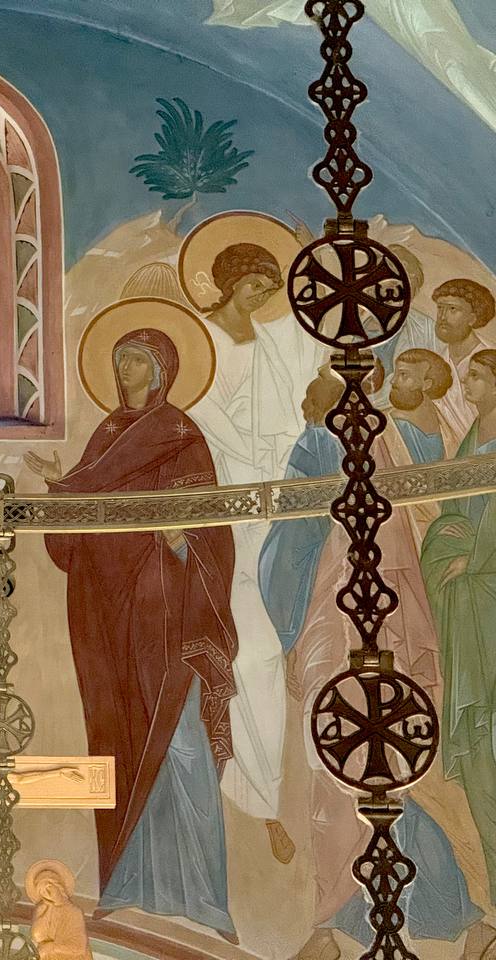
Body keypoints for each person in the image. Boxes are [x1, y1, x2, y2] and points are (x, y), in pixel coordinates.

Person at [265, 366, 491, 960]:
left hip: (354, 616)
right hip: (364, 614)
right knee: (361, 769)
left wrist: (288, 627)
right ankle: (346, 923)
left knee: (373, 768)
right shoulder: (366, 437)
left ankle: (446, 912)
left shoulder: (337, 440)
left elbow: (291, 544)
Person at [26, 328, 239, 942]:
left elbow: (212, 530)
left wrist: (181, 539)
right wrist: (61, 487)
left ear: (162, 370)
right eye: (121, 362)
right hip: (110, 617)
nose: (126, 372)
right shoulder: (106, 435)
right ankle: (127, 883)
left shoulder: (181, 435)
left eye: (138, 361)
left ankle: (206, 897)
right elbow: (78, 530)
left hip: (171, 615)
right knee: (118, 740)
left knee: (183, 742)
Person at [189, 240, 322, 864]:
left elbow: (314, 349)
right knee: (253, 653)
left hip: (273, 498)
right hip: (225, 506)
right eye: (253, 286)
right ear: (229, 283)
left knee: (266, 651)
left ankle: (266, 794)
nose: (263, 297)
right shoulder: (200, 344)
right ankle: (257, 795)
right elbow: (199, 418)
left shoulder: (271, 340)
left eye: (270, 287)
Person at [423, 350, 496, 914]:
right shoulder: (471, 439)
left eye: (476, 375)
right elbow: (450, 514)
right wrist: (453, 550)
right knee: (477, 737)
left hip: (487, 594)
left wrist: (477, 557)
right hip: (466, 603)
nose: (465, 382)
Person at [431, 278, 495, 453]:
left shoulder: (491, 357)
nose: (442, 317)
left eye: (453, 309)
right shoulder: (436, 361)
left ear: (472, 318)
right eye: (440, 308)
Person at [26, 860, 89, 960]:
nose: (47, 893)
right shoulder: (44, 910)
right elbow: (37, 936)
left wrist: (51, 947)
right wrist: (47, 909)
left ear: (59, 887)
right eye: (42, 891)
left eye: (49, 887)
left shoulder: (74, 912)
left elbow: (79, 947)